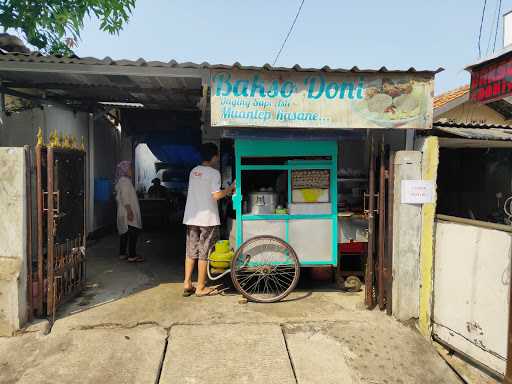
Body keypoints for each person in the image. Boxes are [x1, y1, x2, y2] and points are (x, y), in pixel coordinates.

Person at [182, 143, 235, 297]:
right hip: (207, 219)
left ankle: (187, 283)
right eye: (217, 155)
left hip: (192, 217)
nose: (217, 158)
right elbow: (216, 196)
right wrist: (230, 188)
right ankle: (200, 287)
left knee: (191, 252)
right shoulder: (214, 173)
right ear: (214, 156)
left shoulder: (194, 171)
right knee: (204, 253)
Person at [115, 161, 143, 262]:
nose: (132, 171)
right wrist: (130, 212)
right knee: (133, 233)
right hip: (127, 212)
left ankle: (122, 254)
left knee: (125, 234)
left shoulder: (121, 181)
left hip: (123, 212)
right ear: (125, 170)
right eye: (130, 169)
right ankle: (132, 255)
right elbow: (125, 197)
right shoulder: (125, 182)